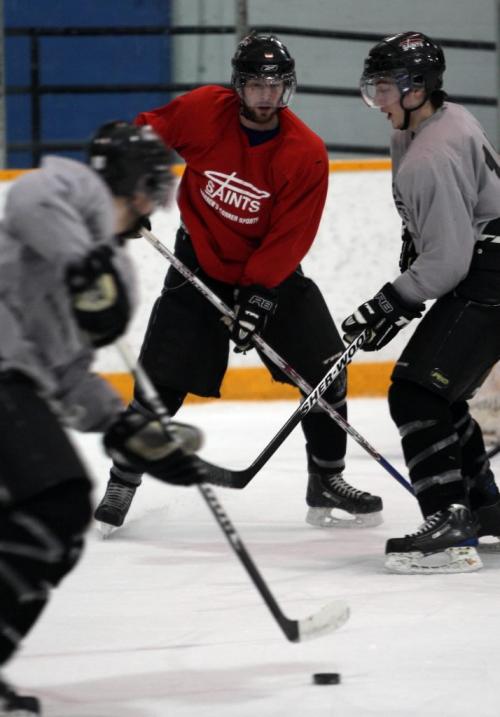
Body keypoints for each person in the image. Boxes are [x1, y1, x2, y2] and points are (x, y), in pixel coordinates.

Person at [94, 32, 383, 532]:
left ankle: (327, 479)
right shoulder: (205, 109)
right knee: (160, 377)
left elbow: (292, 234)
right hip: (200, 263)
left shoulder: (305, 152)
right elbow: (148, 135)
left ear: (288, 89)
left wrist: (259, 295)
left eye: (276, 85)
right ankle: (123, 479)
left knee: (326, 370)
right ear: (238, 86)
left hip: (271, 272)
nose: (266, 95)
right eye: (256, 85)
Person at [0, 121, 206, 715]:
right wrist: (84, 262)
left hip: (17, 377)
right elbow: (28, 195)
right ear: (129, 185)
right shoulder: (68, 194)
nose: (152, 206)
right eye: (151, 189)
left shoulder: (111, 270)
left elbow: (66, 373)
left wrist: (124, 427)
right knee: (57, 503)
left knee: (48, 533)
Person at [342, 31, 500, 574]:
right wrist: (407, 288)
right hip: (486, 269)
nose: (379, 98)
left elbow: (449, 261)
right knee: (442, 392)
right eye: (376, 85)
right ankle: (485, 509)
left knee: (416, 393)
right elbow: (434, 236)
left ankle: (449, 522)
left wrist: (393, 300)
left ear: (419, 89)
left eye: (389, 86)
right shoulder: (430, 125)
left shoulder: (428, 153)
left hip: (489, 276)